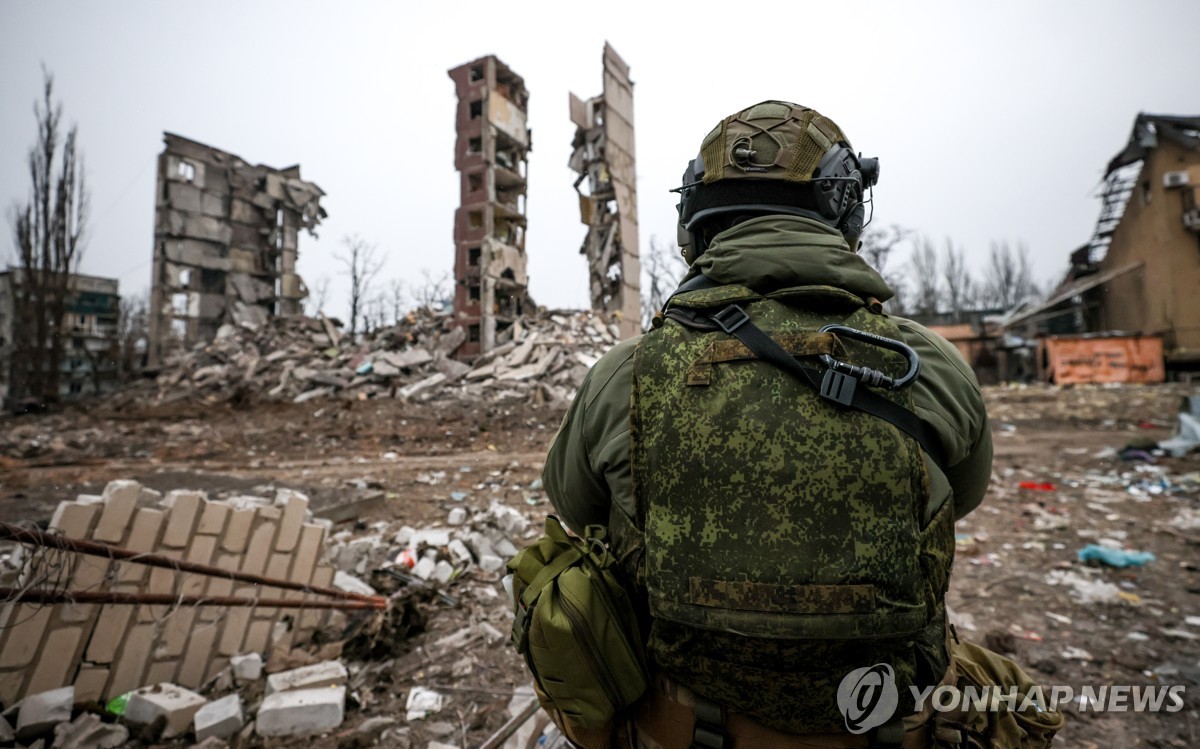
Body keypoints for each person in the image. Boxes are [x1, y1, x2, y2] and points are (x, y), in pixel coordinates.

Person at [540, 101, 1047, 749]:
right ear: (846, 213)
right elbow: (964, 497)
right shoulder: (929, 366)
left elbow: (576, 511)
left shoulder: (626, 375)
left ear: (693, 225)